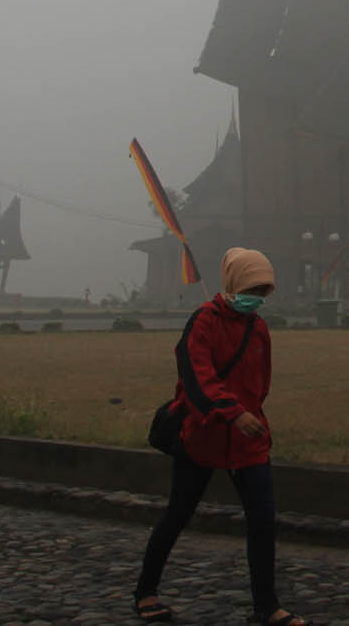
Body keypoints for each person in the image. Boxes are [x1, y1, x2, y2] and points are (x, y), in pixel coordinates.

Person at [133, 248, 308, 626]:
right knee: (178, 514)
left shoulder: (258, 327)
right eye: (252, 288)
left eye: (264, 290)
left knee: (263, 518)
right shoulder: (203, 322)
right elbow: (196, 380)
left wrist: (250, 416)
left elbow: (261, 381)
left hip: (248, 440)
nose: (257, 297)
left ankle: (267, 606)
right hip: (203, 435)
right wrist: (233, 412)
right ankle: (146, 591)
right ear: (234, 283)